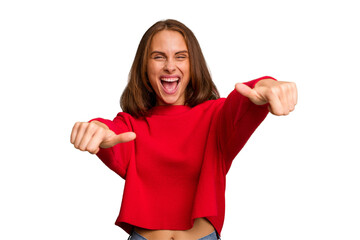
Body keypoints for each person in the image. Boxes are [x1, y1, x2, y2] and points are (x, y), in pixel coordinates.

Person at [70, 19, 297, 240]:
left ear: (192, 65)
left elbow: (244, 100)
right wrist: (96, 128)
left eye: (181, 57)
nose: (170, 66)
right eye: (159, 57)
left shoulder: (215, 118)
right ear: (145, 67)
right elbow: (112, 133)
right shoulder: (131, 124)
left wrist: (267, 84)